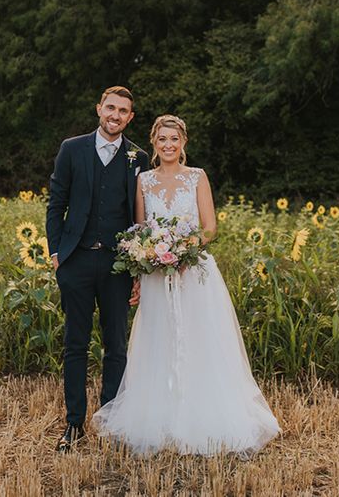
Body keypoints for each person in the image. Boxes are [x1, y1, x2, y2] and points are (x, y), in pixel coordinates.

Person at [92, 114, 280, 455]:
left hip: (193, 271)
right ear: (154, 143)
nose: (168, 145)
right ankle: (159, 416)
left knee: (200, 339)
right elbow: (140, 228)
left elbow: (209, 227)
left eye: (174, 140)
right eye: (162, 139)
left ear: (183, 144)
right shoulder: (144, 181)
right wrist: (150, 258)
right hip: (155, 274)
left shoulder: (197, 177)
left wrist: (181, 252)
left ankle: (202, 415)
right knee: (157, 339)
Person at [46, 86, 149, 453]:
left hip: (116, 264)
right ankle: (74, 425)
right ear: (99, 109)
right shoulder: (71, 149)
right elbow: (56, 202)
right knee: (75, 344)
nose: (116, 115)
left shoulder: (139, 157)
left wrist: (137, 269)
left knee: (115, 346)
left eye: (123, 111)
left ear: (130, 117)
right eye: (111, 108)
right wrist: (56, 253)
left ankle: (110, 421)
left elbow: (140, 217)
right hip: (75, 261)